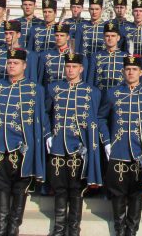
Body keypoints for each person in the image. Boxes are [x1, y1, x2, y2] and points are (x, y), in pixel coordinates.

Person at [98, 54, 142, 236]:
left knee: (137, 193)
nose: (130, 72)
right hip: (118, 151)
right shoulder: (112, 93)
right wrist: (106, 141)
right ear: (122, 71)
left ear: (141, 72)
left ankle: (132, 230)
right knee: (118, 192)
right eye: (127, 69)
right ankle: (119, 229)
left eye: (134, 69)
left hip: (141, 152)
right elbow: (101, 118)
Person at [0, 48, 48, 236]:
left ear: (24, 66)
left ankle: (14, 226)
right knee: (1, 186)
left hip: (22, 146)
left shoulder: (35, 89)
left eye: (15, 63)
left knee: (20, 186)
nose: (11, 66)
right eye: (9, 63)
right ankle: (1, 225)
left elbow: (41, 116)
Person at [45, 52, 102, 236]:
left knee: (76, 189)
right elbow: (45, 113)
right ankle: (59, 228)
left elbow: (94, 120)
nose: (70, 70)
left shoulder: (92, 91)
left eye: (74, 67)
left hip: (79, 147)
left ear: (81, 69)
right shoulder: (54, 88)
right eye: (68, 67)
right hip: (59, 146)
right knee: (60, 188)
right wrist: (48, 135)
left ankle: (74, 229)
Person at [87, 22, 128, 91]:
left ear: (118, 38)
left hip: (121, 96)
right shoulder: (95, 56)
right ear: (103, 38)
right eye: (107, 36)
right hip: (101, 94)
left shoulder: (126, 56)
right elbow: (91, 80)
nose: (110, 38)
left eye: (113, 36)